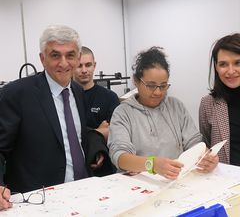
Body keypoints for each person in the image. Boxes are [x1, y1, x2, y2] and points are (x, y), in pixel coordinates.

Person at [0, 25, 113, 211]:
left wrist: (95, 147)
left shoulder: (77, 91)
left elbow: (71, 135)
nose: (63, 63)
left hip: (83, 192)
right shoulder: (16, 94)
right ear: (42, 59)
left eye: (70, 55)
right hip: (39, 200)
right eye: (55, 55)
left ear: (78, 58)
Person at [108, 46, 218, 179]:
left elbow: (194, 143)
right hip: (141, 183)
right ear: (136, 81)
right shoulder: (123, 112)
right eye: (151, 85)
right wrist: (152, 165)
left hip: (176, 179)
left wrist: (207, 156)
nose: (158, 92)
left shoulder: (176, 106)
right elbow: (120, 157)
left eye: (163, 85)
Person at [199, 33, 240, 166]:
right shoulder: (207, 104)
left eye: (237, 63)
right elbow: (206, 146)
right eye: (223, 64)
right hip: (224, 182)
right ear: (216, 67)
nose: (231, 71)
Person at [73, 46, 120, 140]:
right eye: (79, 66)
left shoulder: (110, 98)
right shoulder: (65, 97)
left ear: (94, 66)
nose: (84, 70)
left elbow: (115, 133)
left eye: (88, 65)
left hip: (100, 153)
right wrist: (97, 132)